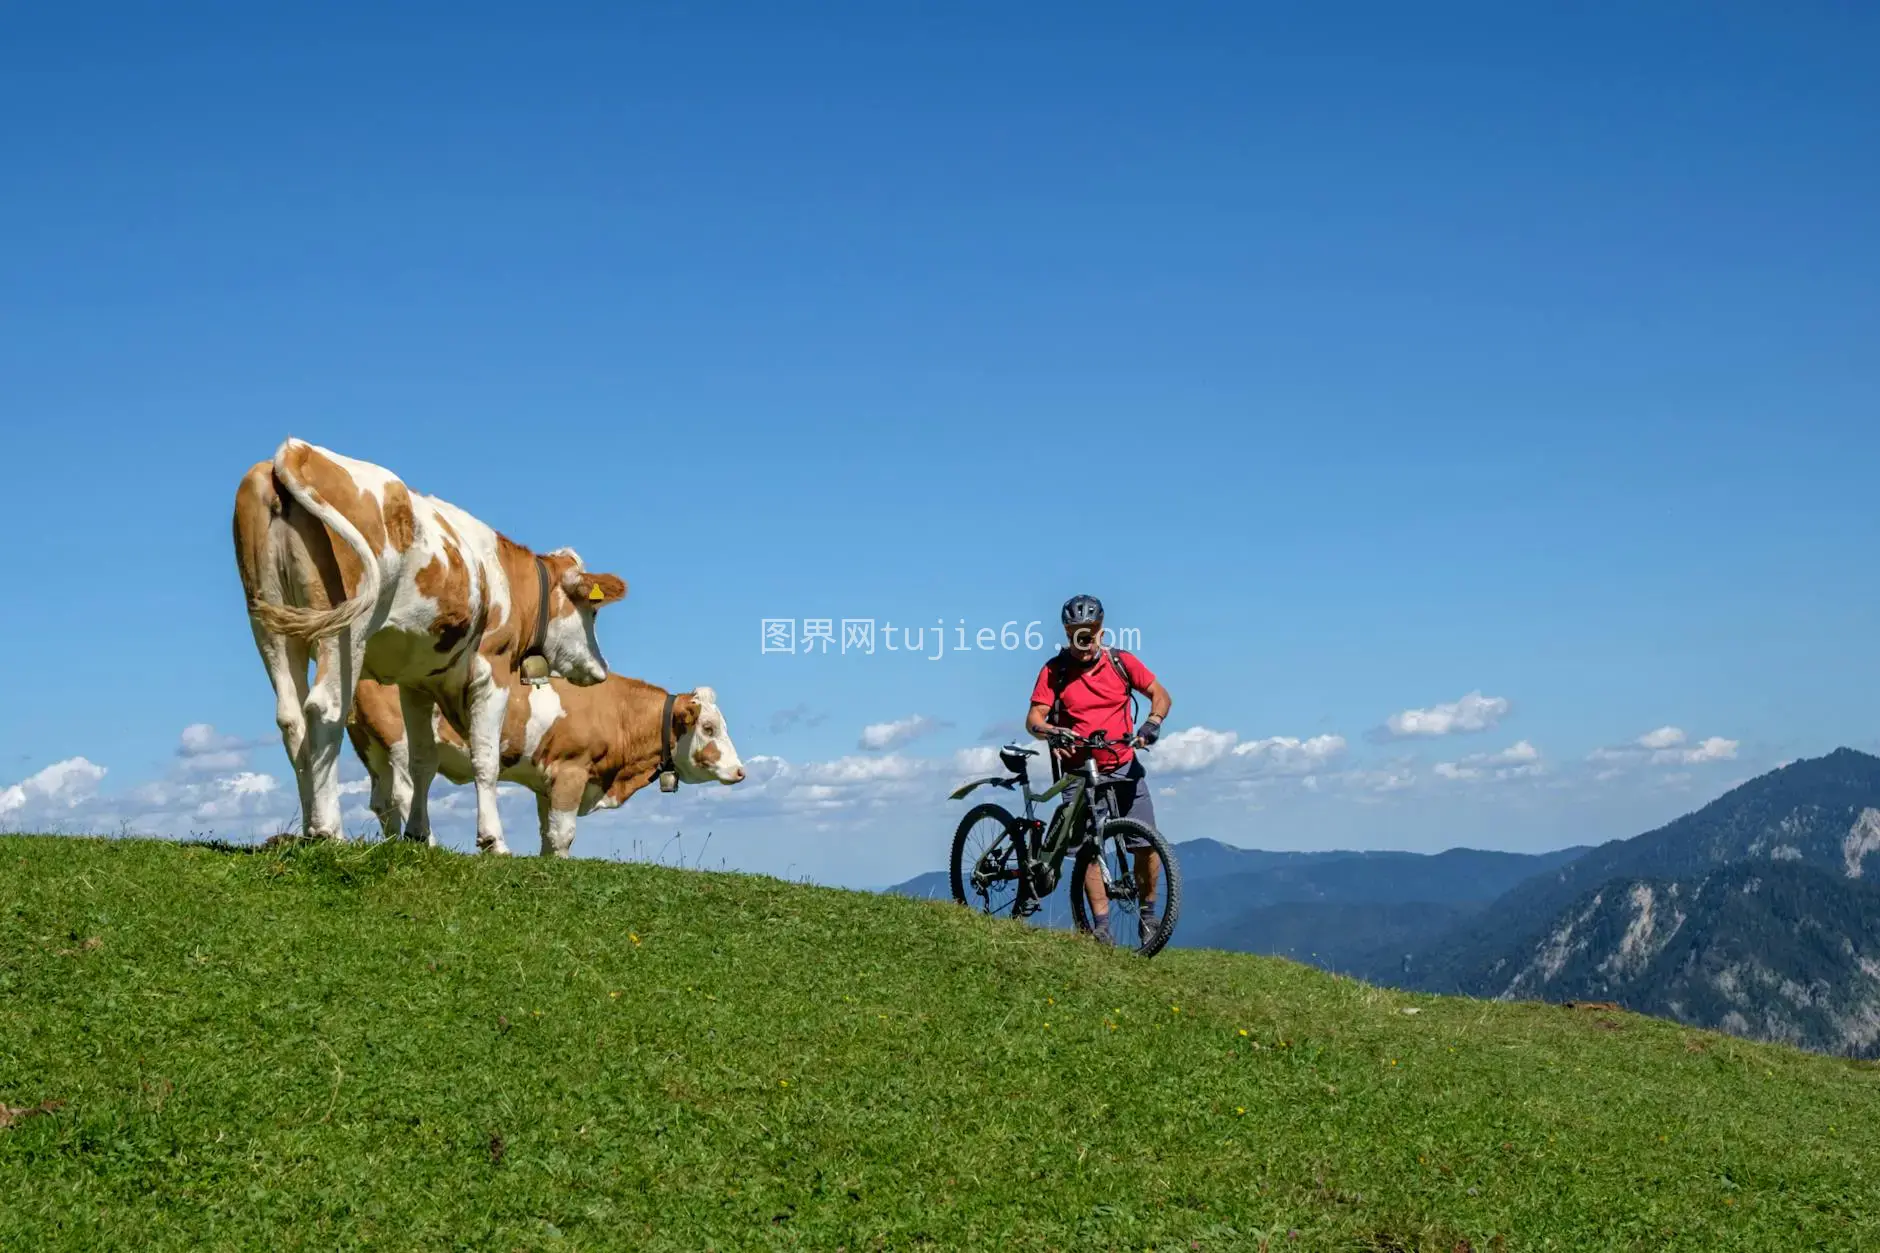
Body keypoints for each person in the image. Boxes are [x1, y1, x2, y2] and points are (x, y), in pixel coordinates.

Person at [1025, 594, 1172, 945]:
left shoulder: (1121, 662)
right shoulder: (1055, 670)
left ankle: (1148, 917)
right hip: (1079, 770)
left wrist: (1152, 724)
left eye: (1089, 633)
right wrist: (1052, 731)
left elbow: (1161, 695)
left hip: (1123, 765)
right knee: (1090, 850)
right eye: (1077, 632)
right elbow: (1033, 719)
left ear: (1101, 632)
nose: (1083, 640)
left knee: (1145, 845)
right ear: (1066, 632)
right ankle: (1102, 927)